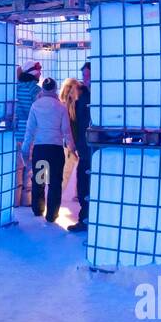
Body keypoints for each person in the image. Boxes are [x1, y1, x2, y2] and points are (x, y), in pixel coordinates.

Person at [21, 76, 74, 224]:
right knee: (55, 182)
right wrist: (72, 147)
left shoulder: (35, 106)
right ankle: (52, 215)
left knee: (39, 180)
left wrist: (25, 150)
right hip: (56, 150)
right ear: (55, 88)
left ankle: (38, 209)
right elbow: (66, 131)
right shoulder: (61, 107)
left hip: (41, 149)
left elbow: (30, 130)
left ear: (43, 89)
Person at [68, 62, 93, 233]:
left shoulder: (104, 94)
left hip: (99, 148)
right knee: (84, 184)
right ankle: (84, 219)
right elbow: (74, 121)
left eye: (88, 75)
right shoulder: (82, 96)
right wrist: (76, 143)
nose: (85, 79)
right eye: (84, 76)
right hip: (85, 148)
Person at [14, 61, 42, 206]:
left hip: (16, 132)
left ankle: (15, 201)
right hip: (31, 134)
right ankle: (27, 200)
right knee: (29, 169)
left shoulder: (15, 88)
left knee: (17, 169)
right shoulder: (36, 90)